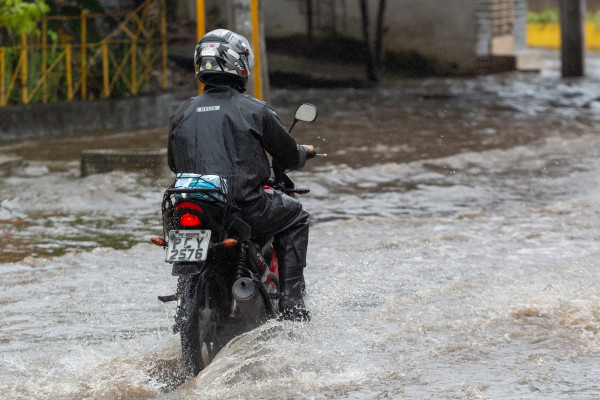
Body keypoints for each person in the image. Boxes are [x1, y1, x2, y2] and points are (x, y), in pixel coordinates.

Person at [167, 29, 313, 321]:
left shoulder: (182, 112)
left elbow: (174, 163)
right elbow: (288, 156)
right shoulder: (255, 110)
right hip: (244, 208)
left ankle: (187, 299)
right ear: (240, 64)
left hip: (190, 205)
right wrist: (303, 152)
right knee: (297, 216)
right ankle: (293, 307)